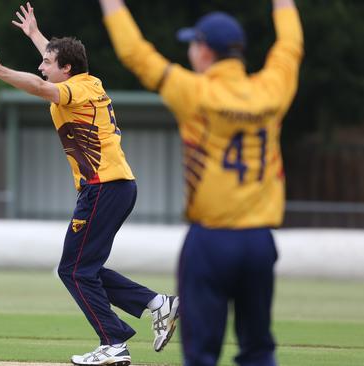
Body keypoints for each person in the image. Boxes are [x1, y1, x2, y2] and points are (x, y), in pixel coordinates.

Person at [98, 0, 303, 365]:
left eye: (193, 44)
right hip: (259, 241)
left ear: (205, 50)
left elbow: (135, 54)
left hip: (210, 241)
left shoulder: (195, 92)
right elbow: (290, 46)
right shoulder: (272, 89)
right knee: (257, 348)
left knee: (201, 352)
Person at [0, 3, 179, 365]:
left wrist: (0, 71)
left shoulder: (74, 91)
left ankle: (114, 342)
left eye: (48, 61)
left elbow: (40, 86)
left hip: (103, 188)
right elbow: (51, 67)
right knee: (86, 268)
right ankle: (157, 304)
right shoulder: (88, 82)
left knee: (73, 270)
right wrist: (36, 35)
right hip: (115, 187)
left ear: (66, 69)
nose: (42, 65)